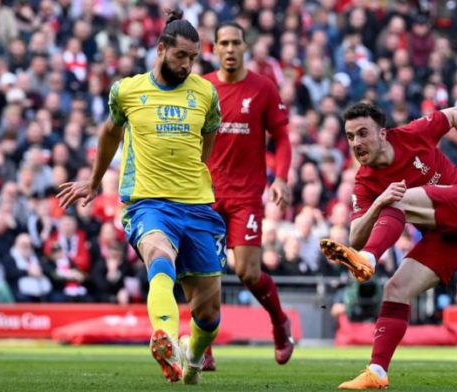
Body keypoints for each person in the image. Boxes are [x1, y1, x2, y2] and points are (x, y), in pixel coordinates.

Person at [56, 9, 224, 386]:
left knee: (210, 314)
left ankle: (193, 357)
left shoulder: (205, 93)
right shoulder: (127, 91)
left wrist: (196, 173)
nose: (187, 65)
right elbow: (110, 134)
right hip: (147, 203)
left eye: (193, 58)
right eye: (181, 56)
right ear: (161, 49)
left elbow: (208, 135)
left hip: (196, 206)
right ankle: (163, 333)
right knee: (158, 254)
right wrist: (95, 180)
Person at [320, 102, 457, 389]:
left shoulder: (411, 134)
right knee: (395, 289)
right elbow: (355, 236)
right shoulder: (364, 181)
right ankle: (377, 371)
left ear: (382, 133)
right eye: (350, 137)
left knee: (399, 197)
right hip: (454, 241)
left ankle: (369, 260)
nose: (356, 143)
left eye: (362, 133)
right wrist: (379, 203)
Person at [199, 21, 294, 369]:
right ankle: (203, 345)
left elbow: (282, 137)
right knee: (203, 272)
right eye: (222, 43)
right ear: (214, 48)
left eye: (234, 43)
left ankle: (279, 322)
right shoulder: (202, 87)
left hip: (245, 196)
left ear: (244, 47)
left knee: (248, 273)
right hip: (204, 194)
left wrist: (281, 178)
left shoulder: (263, 88)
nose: (228, 49)